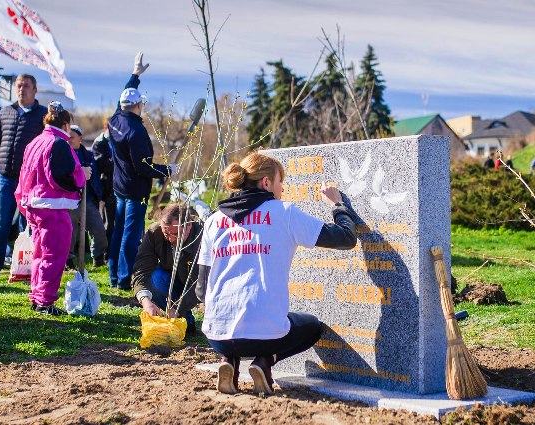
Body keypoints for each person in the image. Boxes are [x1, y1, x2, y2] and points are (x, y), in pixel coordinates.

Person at [196, 152, 358, 395]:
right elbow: (346, 238)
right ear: (267, 183)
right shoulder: (283, 212)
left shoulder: (214, 220)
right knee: (312, 326)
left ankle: (228, 361)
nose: (282, 189)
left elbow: (201, 289)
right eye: (280, 182)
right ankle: (264, 361)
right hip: (267, 335)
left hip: (216, 337)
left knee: (238, 329)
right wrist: (337, 205)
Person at [14, 102, 90, 315]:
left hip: (35, 204)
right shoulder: (58, 143)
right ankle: (45, 301)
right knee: (54, 255)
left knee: (40, 254)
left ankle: (37, 297)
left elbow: (25, 175)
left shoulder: (36, 141)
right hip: (52, 206)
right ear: (66, 124)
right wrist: (81, 175)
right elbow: (60, 176)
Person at [108, 53, 176, 290]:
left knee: (118, 230)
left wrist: (134, 76)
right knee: (130, 233)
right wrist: (167, 169)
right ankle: (124, 278)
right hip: (135, 188)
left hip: (119, 186)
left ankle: (113, 274)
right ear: (138, 106)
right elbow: (142, 166)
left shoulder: (115, 119)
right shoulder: (135, 132)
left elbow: (123, 97)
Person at [0, 74, 47, 283]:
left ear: (35, 90)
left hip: (31, 182)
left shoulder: (43, 115)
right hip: (6, 179)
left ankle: (26, 271)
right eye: (19, 85)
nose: (21, 89)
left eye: (26, 85)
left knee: (27, 227)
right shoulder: (6, 112)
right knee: (0, 225)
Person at [133, 203, 201, 334]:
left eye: (175, 234)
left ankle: (182, 317)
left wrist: (179, 308)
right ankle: (183, 321)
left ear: (189, 226)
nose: (170, 239)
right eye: (166, 233)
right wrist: (145, 300)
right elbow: (142, 267)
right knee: (156, 277)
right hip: (170, 280)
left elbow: (200, 281)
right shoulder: (154, 233)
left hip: (193, 284)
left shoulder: (201, 237)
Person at [67, 125, 108, 268]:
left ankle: (98, 258)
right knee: (70, 234)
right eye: (67, 135)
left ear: (80, 138)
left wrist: (98, 196)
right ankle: (69, 262)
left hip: (88, 200)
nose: (69, 139)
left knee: (99, 231)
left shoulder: (88, 155)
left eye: (72, 136)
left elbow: (95, 177)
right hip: (70, 201)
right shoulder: (64, 154)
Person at [92, 116, 116, 256]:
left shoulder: (118, 142)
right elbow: (102, 165)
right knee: (109, 223)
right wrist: (117, 162)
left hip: (117, 186)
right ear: (106, 128)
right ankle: (107, 253)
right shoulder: (99, 143)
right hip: (106, 187)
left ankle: (115, 251)